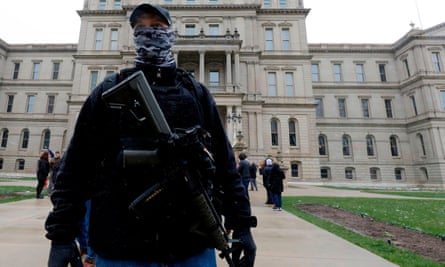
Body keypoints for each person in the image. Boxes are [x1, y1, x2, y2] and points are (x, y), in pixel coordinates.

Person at [45, 3, 256, 267]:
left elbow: (225, 166)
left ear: (171, 33)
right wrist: (61, 236)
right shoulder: (107, 93)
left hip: (190, 244)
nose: (149, 34)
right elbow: (75, 168)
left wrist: (243, 226)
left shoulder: (196, 93)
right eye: (140, 28)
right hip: (121, 246)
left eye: (156, 27)